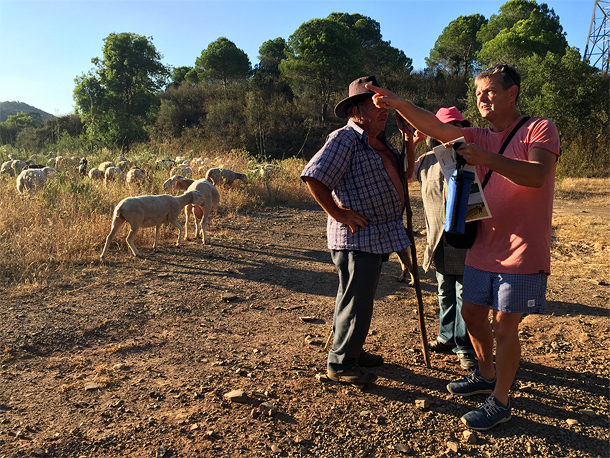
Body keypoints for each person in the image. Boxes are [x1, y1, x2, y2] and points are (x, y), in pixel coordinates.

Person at [368, 64, 560, 430]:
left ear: (512, 93)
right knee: (471, 314)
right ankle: (485, 373)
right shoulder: (476, 135)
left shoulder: (539, 128)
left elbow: (536, 176)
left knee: (505, 326)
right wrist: (398, 103)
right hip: (482, 246)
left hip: (521, 250)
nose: (481, 98)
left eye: (488, 91)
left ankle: (500, 400)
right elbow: (435, 126)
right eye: (477, 94)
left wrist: (487, 159)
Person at [301, 76, 412, 386]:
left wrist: (411, 143)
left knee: (357, 298)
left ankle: (352, 350)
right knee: (356, 299)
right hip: (355, 238)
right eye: (377, 105)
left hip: (377, 236)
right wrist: (339, 213)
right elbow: (314, 177)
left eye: (386, 105)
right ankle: (341, 363)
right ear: (356, 109)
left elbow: (407, 175)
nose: (385, 111)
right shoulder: (344, 139)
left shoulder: (381, 141)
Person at [403, 107, 477, 372]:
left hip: (467, 237)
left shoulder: (472, 157)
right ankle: (446, 337)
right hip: (437, 240)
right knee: (445, 290)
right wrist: (412, 144)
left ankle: (465, 345)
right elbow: (406, 176)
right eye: (443, 128)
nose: (447, 135)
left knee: (464, 294)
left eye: (454, 127)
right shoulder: (426, 160)